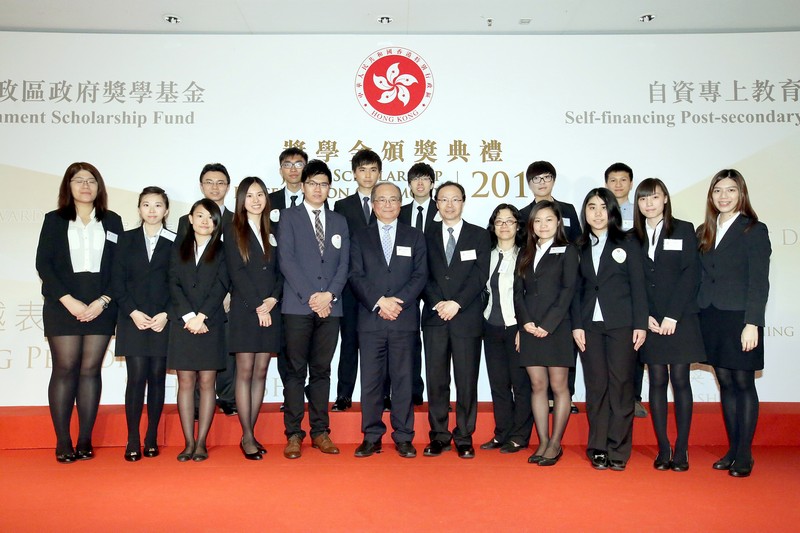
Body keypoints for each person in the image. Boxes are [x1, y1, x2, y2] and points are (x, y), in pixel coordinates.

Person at [35, 162, 123, 463]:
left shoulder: (112, 221)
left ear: (99, 187)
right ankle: (63, 441)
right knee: (65, 369)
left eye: (91, 181)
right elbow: (44, 265)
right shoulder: (54, 220)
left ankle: (85, 439)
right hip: (63, 303)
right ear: (68, 186)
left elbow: (120, 268)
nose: (85, 186)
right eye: (78, 180)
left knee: (89, 371)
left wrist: (103, 300)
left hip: (102, 303)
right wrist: (67, 299)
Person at [697, 169, 770, 478]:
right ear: (711, 196)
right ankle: (732, 448)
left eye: (730, 190)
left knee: (743, 383)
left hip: (740, 319)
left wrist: (752, 322)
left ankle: (744, 453)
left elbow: (759, 282)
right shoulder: (704, 230)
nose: (723, 196)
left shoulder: (754, 229)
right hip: (711, 316)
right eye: (718, 191)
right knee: (724, 382)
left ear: (742, 194)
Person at [571, 188, 648, 471]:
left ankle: (618, 448)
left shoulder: (628, 242)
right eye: (592, 207)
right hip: (589, 327)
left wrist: (640, 324)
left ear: (612, 211)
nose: (598, 213)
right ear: (585, 212)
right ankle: (598, 447)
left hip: (623, 326)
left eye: (603, 207)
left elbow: (639, 287)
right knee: (597, 387)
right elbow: (575, 290)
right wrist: (576, 325)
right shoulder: (577, 245)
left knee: (621, 386)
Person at [349, 182, 428, 458]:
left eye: (393, 200)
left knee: (403, 379)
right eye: (381, 200)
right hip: (370, 319)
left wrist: (397, 303)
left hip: (403, 319)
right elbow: (355, 275)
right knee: (371, 381)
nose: (387, 205)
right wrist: (379, 302)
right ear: (372, 204)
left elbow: (420, 276)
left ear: (400, 204)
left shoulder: (415, 236)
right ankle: (371, 436)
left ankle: (404, 436)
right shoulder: (359, 236)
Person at [278, 160, 349, 459]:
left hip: (331, 308)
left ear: (329, 188)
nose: (318, 189)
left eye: (323, 184)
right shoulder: (288, 217)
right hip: (297, 306)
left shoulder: (339, 221)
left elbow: (344, 264)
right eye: (312, 183)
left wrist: (329, 295)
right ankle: (294, 434)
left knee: (321, 371)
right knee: (295, 372)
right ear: (303, 186)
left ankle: (320, 432)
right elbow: (287, 260)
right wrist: (312, 297)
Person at [633, 178, 705, 471]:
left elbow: (690, 275)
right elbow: (634, 282)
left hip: (680, 319)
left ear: (665, 199)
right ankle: (664, 448)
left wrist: (672, 316)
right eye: (643, 199)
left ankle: (682, 449)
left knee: (680, 380)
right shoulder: (631, 236)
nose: (649, 203)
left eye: (654, 197)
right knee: (657, 382)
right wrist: (644, 316)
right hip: (649, 321)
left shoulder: (684, 229)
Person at [422, 181, 491, 459]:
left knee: (466, 380)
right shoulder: (424, 236)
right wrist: (439, 302)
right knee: (436, 380)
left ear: (463, 202)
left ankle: (464, 436)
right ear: (436, 203)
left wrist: (457, 303)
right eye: (443, 200)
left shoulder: (479, 235)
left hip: (466, 319)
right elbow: (421, 275)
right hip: (435, 317)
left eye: (455, 199)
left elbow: (479, 275)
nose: (449, 205)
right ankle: (439, 435)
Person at [112, 186, 175, 462]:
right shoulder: (124, 240)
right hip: (132, 319)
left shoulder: (176, 241)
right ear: (138, 209)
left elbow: (181, 284)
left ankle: (151, 437)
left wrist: (167, 314)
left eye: (158, 205)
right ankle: (133, 438)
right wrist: (132, 312)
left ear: (166, 210)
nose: (152, 210)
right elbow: (116, 281)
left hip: (162, 320)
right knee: (136, 379)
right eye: (146, 205)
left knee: (157, 378)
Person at [515, 201, 579, 466]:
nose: (543, 225)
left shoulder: (568, 250)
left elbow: (568, 291)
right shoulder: (525, 252)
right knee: (537, 385)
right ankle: (542, 441)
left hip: (557, 327)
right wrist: (526, 323)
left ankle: (555, 443)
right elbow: (518, 292)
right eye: (537, 220)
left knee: (558, 386)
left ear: (558, 223)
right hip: (530, 328)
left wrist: (548, 324)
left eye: (549, 220)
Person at [224, 177, 282, 460]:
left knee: (261, 372)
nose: (256, 200)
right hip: (246, 310)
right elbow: (236, 273)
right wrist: (259, 306)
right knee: (244, 371)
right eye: (250, 195)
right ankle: (246, 435)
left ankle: (252, 431)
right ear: (241, 200)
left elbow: (282, 271)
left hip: (270, 309)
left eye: (260, 195)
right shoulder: (232, 230)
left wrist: (272, 300)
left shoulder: (274, 230)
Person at [518, 161, 582, 415]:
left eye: (547, 177)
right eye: (536, 179)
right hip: (532, 298)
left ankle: (569, 397)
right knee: (537, 382)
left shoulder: (567, 209)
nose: (542, 182)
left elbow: (577, 243)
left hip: (560, 298)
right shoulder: (522, 214)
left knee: (561, 374)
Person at [168, 199, 229, 462]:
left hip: (210, 323)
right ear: (190, 219)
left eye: (211, 218)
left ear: (217, 224)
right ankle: (188, 442)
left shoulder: (224, 250)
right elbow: (172, 283)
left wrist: (202, 316)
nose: (205, 221)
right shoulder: (177, 248)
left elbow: (221, 285)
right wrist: (189, 316)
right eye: (200, 216)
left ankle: (202, 442)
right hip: (183, 324)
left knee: (207, 383)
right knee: (185, 383)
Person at [177, 163, 237, 417]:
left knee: (227, 348)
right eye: (209, 182)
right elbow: (180, 267)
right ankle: (200, 403)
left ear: (228, 187)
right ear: (201, 186)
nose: (215, 187)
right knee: (198, 350)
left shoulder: (237, 220)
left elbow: (240, 261)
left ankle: (227, 397)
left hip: (230, 297)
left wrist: (230, 294)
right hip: (195, 302)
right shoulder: (185, 221)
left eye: (220, 182)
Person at [480, 204, 534, 455]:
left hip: (517, 328)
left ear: (518, 225)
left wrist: (525, 328)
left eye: (509, 221)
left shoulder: (527, 256)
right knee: (498, 384)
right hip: (491, 326)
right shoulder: (485, 254)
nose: (504, 226)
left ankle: (520, 436)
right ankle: (502, 433)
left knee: (520, 385)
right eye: (499, 221)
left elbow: (532, 295)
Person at [332, 149, 381, 411]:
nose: (368, 175)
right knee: (349, 342)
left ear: (379, 173)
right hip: (351, 288)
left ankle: (383, 395)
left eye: (373, 170)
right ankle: (344, 395)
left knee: (381, 344)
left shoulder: (388, 202)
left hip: (382, 289)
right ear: (353, 174)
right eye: (362, 169)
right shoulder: (342, 206)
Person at [604, 162, 647, 419]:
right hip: (609, 288)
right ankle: (611, 398)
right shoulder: (600, 210)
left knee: (635, 347)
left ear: (631, 183)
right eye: (613, 180)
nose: (618, 184)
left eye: (623, 180)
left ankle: (635, 398)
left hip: (636, 282)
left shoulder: (640, 211)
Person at [399, 162, 439, 405]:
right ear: (410, 184)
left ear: (432, 183)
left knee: (435, 341)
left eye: (425, 179)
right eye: (416, 179)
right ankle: (412, 389)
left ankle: (438, 393)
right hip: (406, 282)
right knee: (408, 339)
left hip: (436, 283)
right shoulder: (399, 211)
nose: (420, 183)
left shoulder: (443, 208)